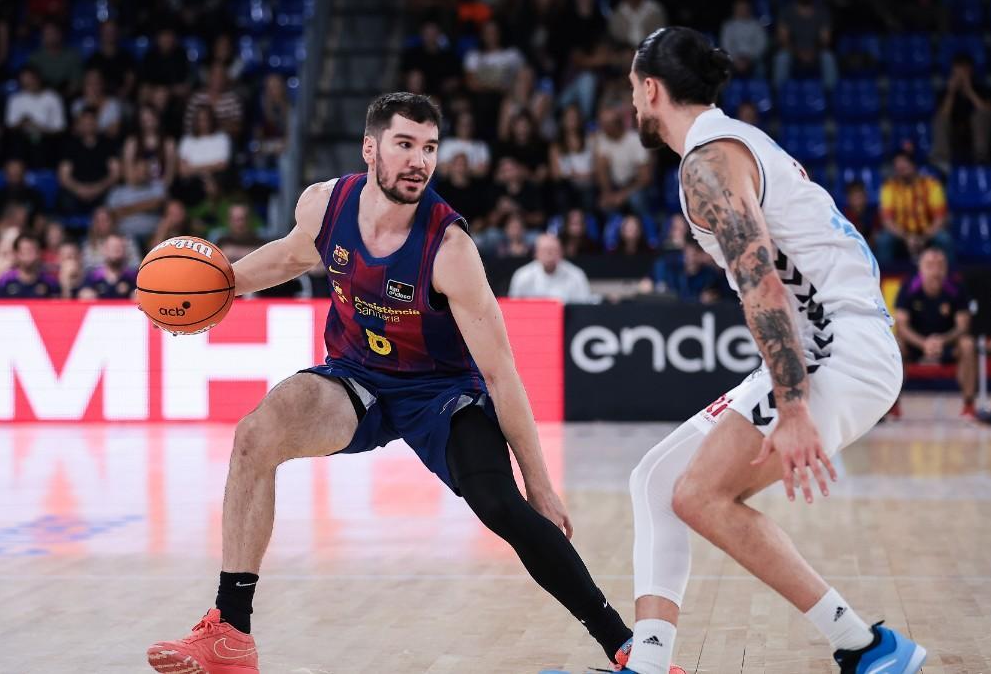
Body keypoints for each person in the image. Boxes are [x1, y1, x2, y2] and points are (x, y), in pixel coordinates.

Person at [146, 92, 635, 673]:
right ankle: (231, 631)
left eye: (429, 148)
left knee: (500, 505)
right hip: (356, 379)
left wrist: (542, 484)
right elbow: (292, 256)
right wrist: (223, 283)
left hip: (442, 393)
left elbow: (502, 373)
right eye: (405, 145)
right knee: (256, 434)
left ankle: (627, 645)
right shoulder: (324, 204)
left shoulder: (450, 249)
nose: (419, 161)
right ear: (370, 148)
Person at [616, 27, 923, 674]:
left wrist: (792, 407)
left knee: (698, 495)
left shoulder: (707, 163)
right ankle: (648, 663)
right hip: (831, 342)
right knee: (656, 479)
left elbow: (762, 286)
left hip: (840, 350)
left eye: (632, 91)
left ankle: (867, 646)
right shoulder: (731, 143)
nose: (633, 106)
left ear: (650, 89)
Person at [893, 247, 975, 418]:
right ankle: (892, 405)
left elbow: (963, 326)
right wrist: (924, 343)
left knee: (967, 345)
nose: (935, 271)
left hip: (947, 345)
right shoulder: (908, 287)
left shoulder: (956, 288)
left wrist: (942, 341)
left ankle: (969, 405)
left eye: (940, 265)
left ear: (946, 269)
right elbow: (901, 326)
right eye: (930, 265)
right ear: (921, 268)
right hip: (916, 344)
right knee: (895, 345)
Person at [876, 151, 951, 264]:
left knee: (944, 239)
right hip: (900, 235)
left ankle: (950, 278)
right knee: (883, 241)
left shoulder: (932, 185)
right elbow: (887, 221)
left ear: (914, 165)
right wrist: (907, 238)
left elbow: (940, 218)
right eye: (898, 166)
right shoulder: (889, 187)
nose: (901, 168)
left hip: (928, 233)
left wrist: (924, 237)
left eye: (904, 164)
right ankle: (884, 278)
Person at [932, 54, 991, 170]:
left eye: (964, 72)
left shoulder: (983, 89)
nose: (960, 76)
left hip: (980, 136)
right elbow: (943, 116)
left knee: (980, 116)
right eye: (957, 72)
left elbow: (987, 112)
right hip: (954, 135)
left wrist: (969, 91)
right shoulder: (945, 92)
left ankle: (981, 159)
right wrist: (951, 94)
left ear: (971, 71)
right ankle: (942, 161)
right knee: (939, 119)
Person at [508, 233, 592, 302]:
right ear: (536, 253)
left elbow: (584, 307)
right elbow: (513, 308)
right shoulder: (522, 275)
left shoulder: (576, 275)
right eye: (545, 250)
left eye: (553, 250)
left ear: (561, 252)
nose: (549, 254)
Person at [0, 233, 61, 298]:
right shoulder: (4, 281)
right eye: (24, 251)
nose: (28, 256)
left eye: (31, 251)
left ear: (39, 253)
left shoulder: (50, 282)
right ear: (16, 254)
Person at [79, 233, 137, 299]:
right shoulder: (93, 276)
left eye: (120, 247)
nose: (116, 250)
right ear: (104, 250)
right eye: (113, 247)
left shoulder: (134, 277)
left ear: (125, 251)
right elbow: (83, 294)